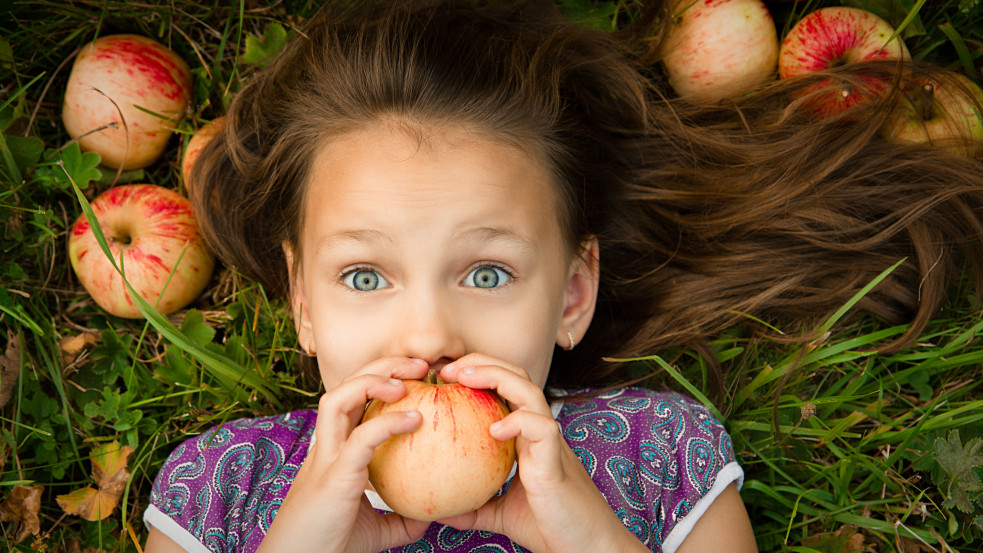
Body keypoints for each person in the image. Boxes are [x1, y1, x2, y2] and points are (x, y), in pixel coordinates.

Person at [141, 1, 983, 552]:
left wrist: (588, 536)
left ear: (572, 293)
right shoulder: (220, 496)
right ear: (302, 303)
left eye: (486, 271)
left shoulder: (657, 459)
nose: (428, 333)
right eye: (364, 276)